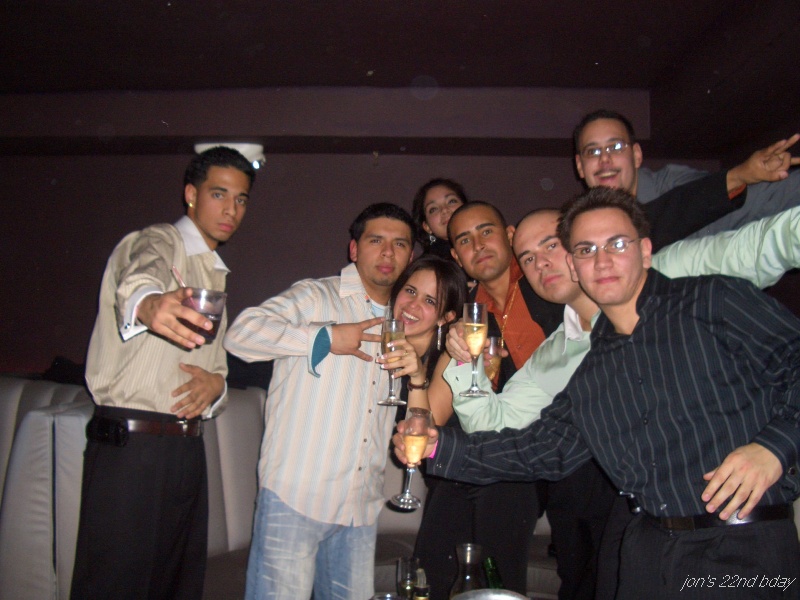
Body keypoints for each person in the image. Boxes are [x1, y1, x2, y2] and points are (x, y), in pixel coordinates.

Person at [402, 187, 800, 600]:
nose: (602, 260)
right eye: (586, 250)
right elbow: (543, 447)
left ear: (645, 251)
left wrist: (774, 447)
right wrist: (436, 447)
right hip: (648, 551)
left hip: (743, 548)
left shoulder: (710, 299)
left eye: (616, 244)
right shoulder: (591, 368)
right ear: (576, 266)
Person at [72, 146, 255, 600]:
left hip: (186, 450)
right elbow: (140, 280)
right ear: (191, 194)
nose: (231, 210)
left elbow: (217, 374)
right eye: (219, 194)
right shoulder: (157, 240)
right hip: (130, 449)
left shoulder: (215, 274)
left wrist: (217, 387)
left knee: (178, 585)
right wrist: (150, 304)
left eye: (241, 199)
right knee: (116, 585)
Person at [223, 203, 415, 599]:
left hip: (360, 505)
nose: (387, 252)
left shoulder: (405, 320)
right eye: (376, 241)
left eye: (399, 244)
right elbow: (240, 334)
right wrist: (324, 337)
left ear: (410, 256)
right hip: (295, 498)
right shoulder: (316, 295)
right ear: (354, 249)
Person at [573, 108, 800, 238]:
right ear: (580, 166)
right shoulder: (582, 228)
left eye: (615, 147)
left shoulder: (675, 187)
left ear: (637, 155)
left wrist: (744, 175)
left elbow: (749, 199)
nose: (604, 160)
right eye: (592, 151)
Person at [377, 255, 467, 422]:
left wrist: (417, 378)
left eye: (430, 301)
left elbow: (425, 427)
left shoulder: (453, 355)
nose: (413, 304)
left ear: (446, 318)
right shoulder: (380, 339)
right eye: (410, 291)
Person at [411, 178, 469, 260]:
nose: (444, 210)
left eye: (451, 201)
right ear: (427, 226)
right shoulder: (429, 265)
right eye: (433, 209)